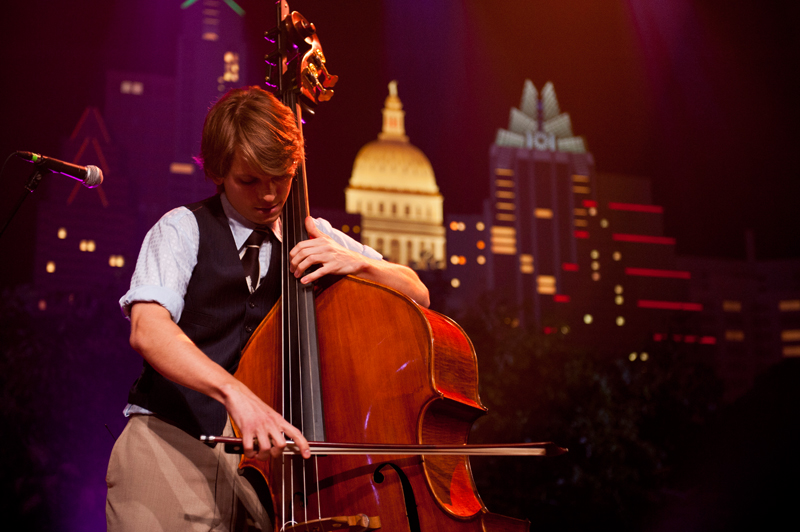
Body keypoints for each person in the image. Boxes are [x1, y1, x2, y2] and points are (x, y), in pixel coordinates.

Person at [106, 85, 429, 531]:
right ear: (219, 172)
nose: (270, 194)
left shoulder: (315, 234)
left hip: (271, 476)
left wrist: (359, 264)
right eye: (249, 180)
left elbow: (417, 292)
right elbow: (148, 329)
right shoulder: (182, 230)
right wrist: (236, 394)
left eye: (281, 175)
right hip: (171, 445)